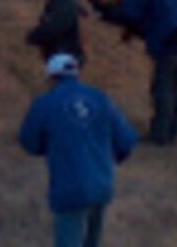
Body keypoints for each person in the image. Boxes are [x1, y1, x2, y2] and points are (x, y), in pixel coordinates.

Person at [17, 53, 136, 247]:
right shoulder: (101, 98)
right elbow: (127, 140)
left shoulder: (44, 104)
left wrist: (51, 148)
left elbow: (28, 142)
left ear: (52, 77)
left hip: (69, 187)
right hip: (101, 184)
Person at [90, 0, 177, 144]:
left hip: (168, 40)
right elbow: (145, 10)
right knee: (174, 87)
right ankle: (172, 130)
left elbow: (128, 14)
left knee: (161, 88)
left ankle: (159, 135)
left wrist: (104, 11)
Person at [27, 0, 87, 64]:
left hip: (63, 58)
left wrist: (33, 37)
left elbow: (52, 29)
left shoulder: (63, 3)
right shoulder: (73, 1)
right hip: (69, 56)